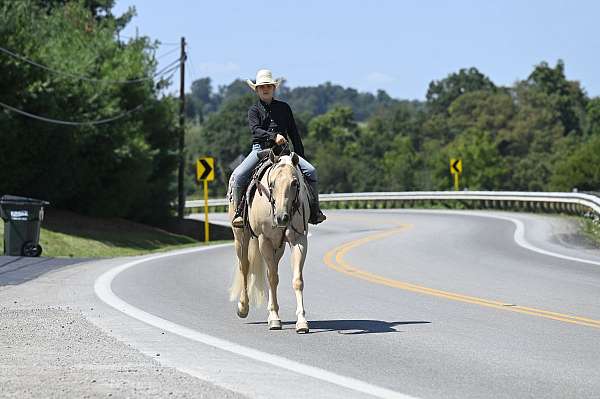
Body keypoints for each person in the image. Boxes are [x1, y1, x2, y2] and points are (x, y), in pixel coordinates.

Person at [229, 69, 326, 228]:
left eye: (268, 86)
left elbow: (294, 133)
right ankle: (240, 213)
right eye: (261, 87)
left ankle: (315, 210)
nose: (265, 89)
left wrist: (299, 156)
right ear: (257, 90)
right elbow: (256, 130)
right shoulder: (253, 110)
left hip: (284, 152)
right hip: (260, 151)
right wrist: (274, 137)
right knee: (238, 175)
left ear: (274, 88)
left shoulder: (284, 108)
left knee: (311, 171)